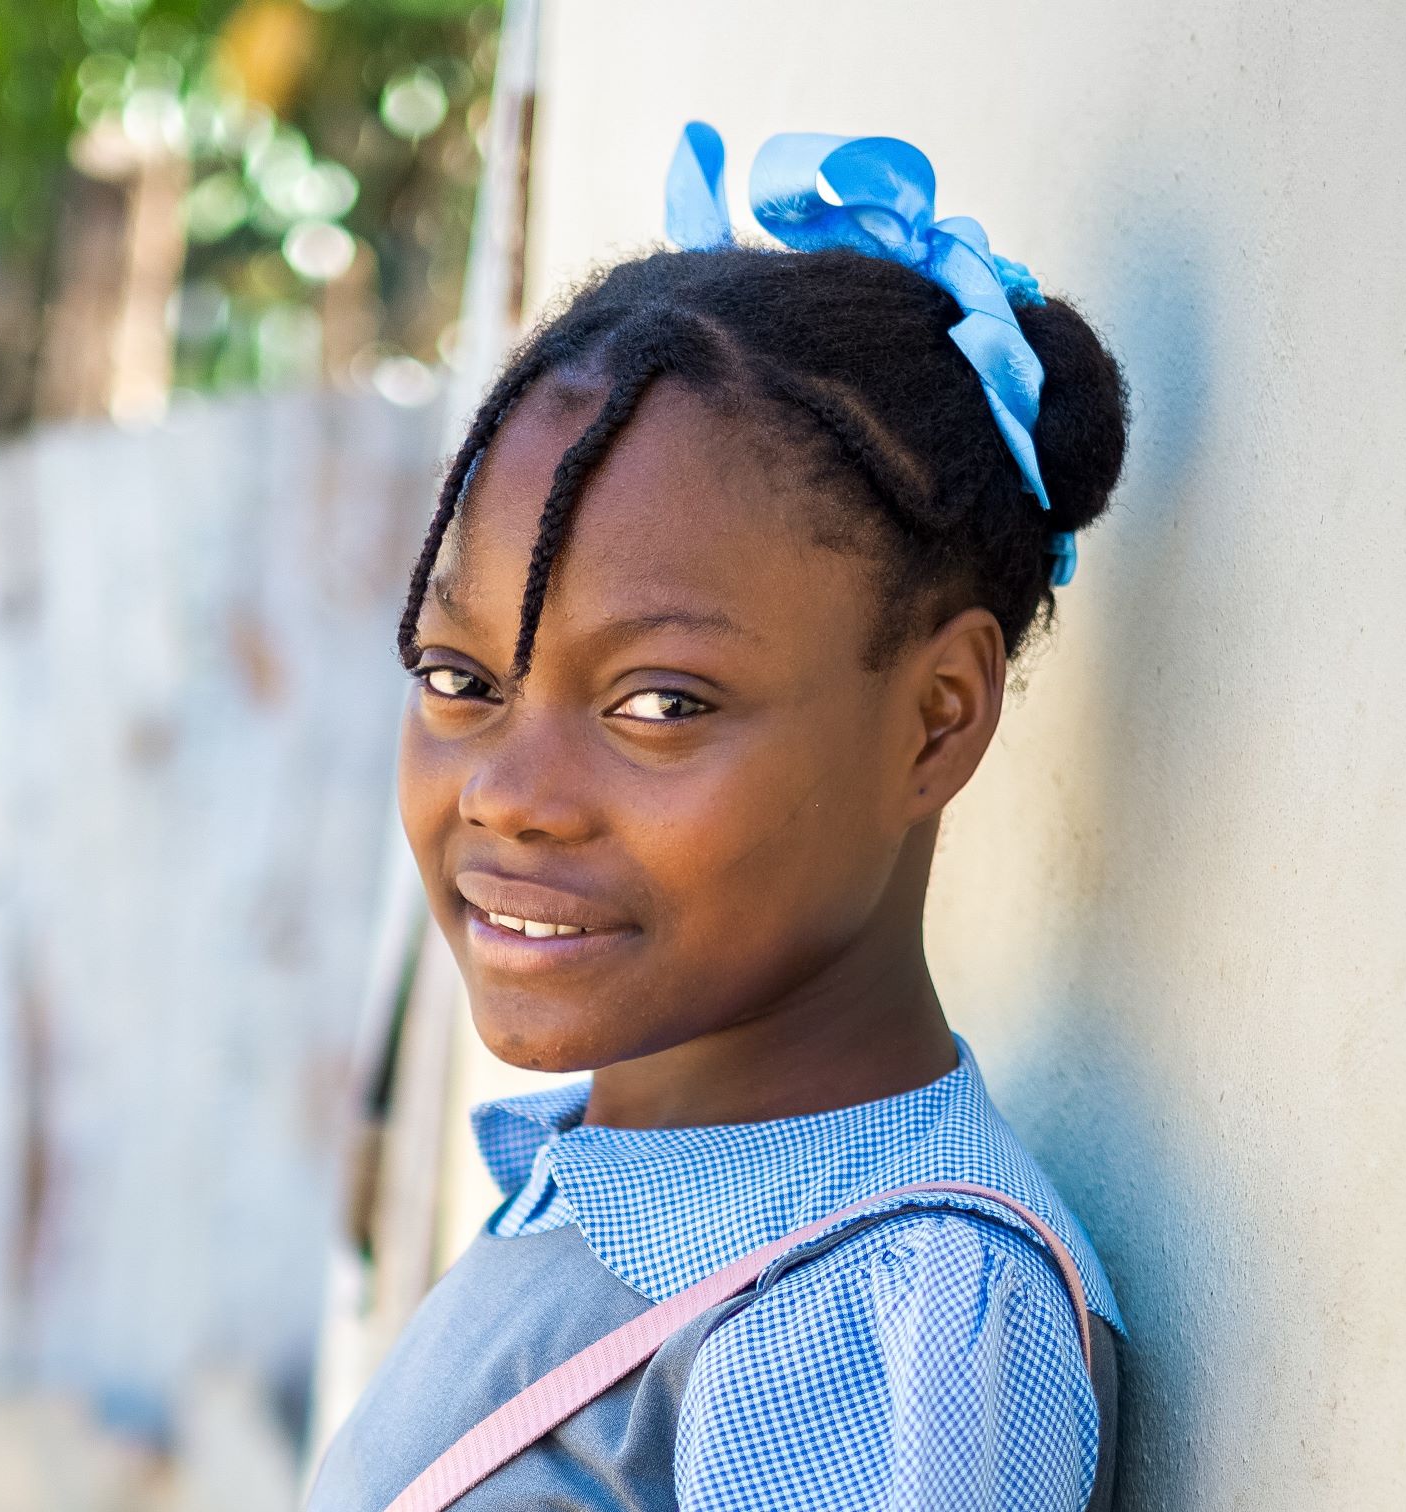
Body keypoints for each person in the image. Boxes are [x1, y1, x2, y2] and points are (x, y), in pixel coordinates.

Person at [307, 124, 1133, 1512]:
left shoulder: (870, 1323)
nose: (509, 791)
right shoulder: (625, 1206)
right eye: (460, 678)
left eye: (661, 705)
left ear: (937, 717)